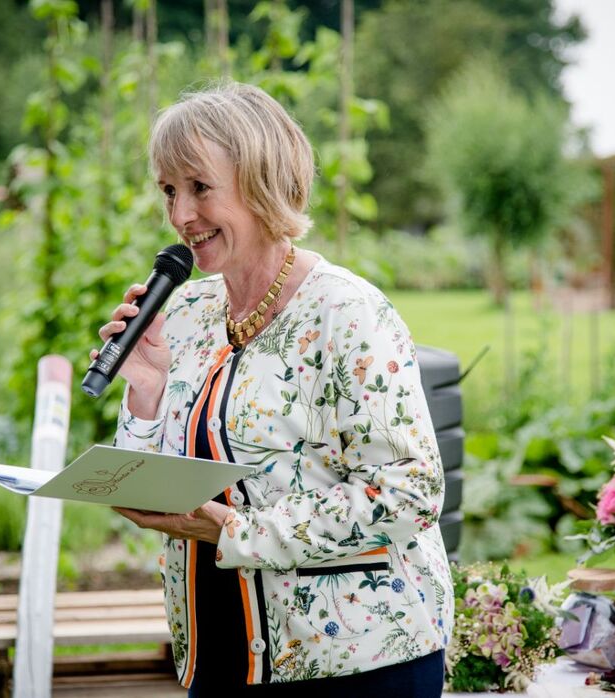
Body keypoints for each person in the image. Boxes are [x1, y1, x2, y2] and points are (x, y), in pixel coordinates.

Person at [95, 82, 453, 696]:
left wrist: (236, 531)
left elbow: (409, 493)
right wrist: (146, 388)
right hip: (218, 655)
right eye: (169, 191)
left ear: (262, 180)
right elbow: (160, 479)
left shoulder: (347, 312)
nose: (181, 216)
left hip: (355, 665)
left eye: (200, 187)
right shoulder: (186, 313)